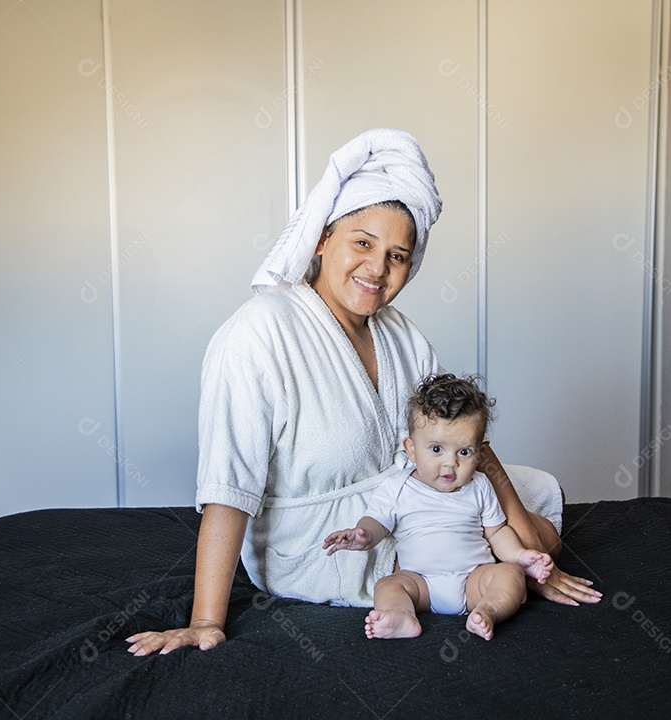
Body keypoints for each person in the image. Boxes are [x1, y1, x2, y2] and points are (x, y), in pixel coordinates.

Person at [126, 129, 600, 657]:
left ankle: (514, 557)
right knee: (531, 535)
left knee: (538, 501)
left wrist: (525, 544)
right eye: (362, 243)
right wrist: (205, 620)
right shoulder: (259, 332)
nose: (377, 269)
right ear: (322, 239)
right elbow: (229, 485)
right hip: (328, 538)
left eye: (397, 255)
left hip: (413, 492)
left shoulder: (398, 332)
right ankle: (489, 571)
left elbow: (459, 432)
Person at [323, 374, 554, 641]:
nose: (450, 463)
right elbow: (376, 522)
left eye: (464, 452)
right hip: (420, 583)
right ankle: (402, 616)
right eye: (436, 449)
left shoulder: (479, 485)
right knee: (388, 585)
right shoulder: (397, 487)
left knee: (510, 575)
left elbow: (498, 532)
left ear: (479, 453)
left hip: (473, 580)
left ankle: (488, 610)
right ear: (411, 449)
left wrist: (520, 556)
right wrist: (362, 535)